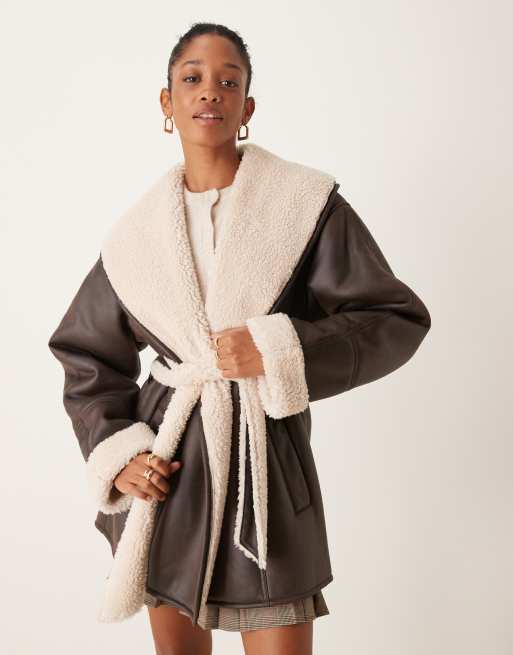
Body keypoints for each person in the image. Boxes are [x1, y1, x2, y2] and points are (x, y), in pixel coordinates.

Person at [48, 22, 431, 655]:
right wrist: (120, 455)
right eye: (192, 79)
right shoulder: (136, 235)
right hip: (169, 478)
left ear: (247, 108)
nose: (211, 92)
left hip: (265, 473)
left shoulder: (304, 205)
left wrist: (280, 348)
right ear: (167, 102)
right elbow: (84, 353)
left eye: (229, 82)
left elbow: (393, 317)